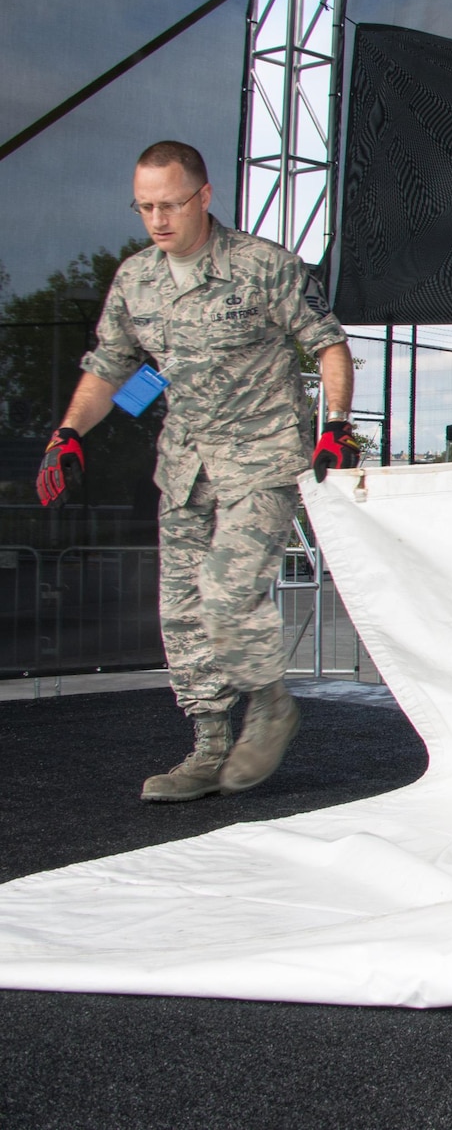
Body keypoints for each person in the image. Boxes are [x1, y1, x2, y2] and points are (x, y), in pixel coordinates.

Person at [38, 141, 356, 804]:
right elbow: (109, 368)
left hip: (261, 459)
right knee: (182, 610)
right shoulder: (136, 280)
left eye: (169, 204)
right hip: (185, 465)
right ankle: (208, 743)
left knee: (224, 590)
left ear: (203, 197)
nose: (156, 219)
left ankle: (270, 704)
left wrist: (335, 424)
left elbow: (328, 343)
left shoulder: (262, 267)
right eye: (144, 206)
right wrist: (68, 434)